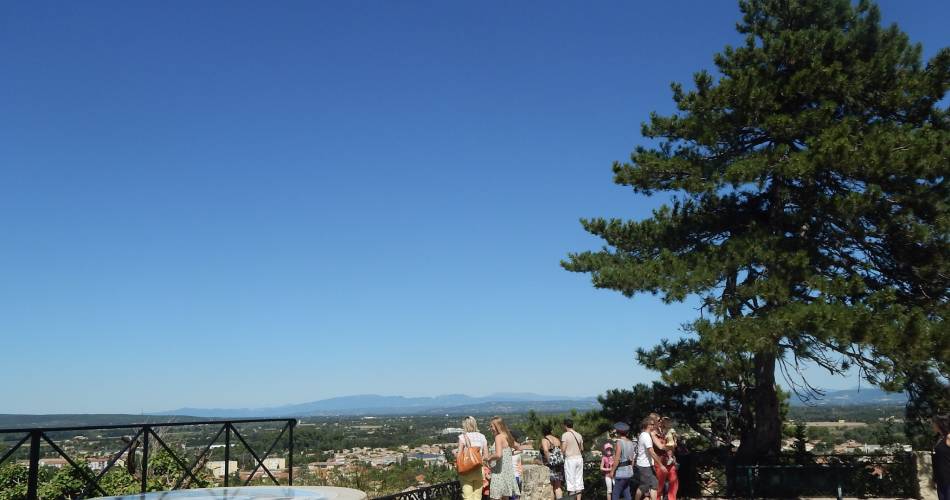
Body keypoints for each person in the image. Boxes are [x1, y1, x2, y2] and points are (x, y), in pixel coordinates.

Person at [484, 416, 521, 500]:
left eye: (491, 426)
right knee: (505, 498)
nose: (490, 428)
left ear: (497, 426)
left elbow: (498, 455)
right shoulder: (507, 436)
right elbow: (519, 447)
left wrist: (489, 458)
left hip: (498, 474)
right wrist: (509, 453)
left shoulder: (498, 437)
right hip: (507, 473)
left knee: (495, 498)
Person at [456, 416, 490, 500]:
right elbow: (486, 456)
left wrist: (454, 453)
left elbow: (459, 456)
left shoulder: (462, 437)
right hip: (478, 469)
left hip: (466, 470)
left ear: (465, 425)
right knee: (478, 496)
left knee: (468, 497)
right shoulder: (482, 437)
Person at [635, 416, 665, 500]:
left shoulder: (645, 435)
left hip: (647, 464)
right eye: (652, 424)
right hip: (644, 465)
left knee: (654, 484)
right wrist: (661, 465)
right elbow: (651, 452)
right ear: (647, 425)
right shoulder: (646, 436)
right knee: (644, 486)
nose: (653, 426)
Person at [608, 422, 637, 500]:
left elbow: (617, 459)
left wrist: (612, 471)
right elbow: (632, 459)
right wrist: (631, 469)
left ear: (618, 432)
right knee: (626, 492)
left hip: (621, 472)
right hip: (629, 472)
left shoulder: (619, 442)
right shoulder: (631, 443)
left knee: (615, 494)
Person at [654, 417, 678, 500]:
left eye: (661, 421)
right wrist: (670, 446)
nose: (661, 422)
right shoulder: (654, 433)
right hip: (660, 461)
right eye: (659, 421)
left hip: (669, 460)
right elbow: (660, 447)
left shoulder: (667, 430)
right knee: (659, 485)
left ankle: (671, 498)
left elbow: (674, 444)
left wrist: (673, 447)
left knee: (673, 481)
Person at [561, 418, 585, 499]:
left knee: (571, 482)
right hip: (579, 459)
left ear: (565, 425)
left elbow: (563, 449)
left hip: (570, 459)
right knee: (579, 481)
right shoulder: (579, 435)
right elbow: (582, 449)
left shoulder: (565, 435)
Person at [540, 423, 564, 498]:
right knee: (558, 487)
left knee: (551, 487)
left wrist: (548, 461)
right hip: (559, 464)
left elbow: (546, 451)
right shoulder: (556, 439)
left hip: (551, 466)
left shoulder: (545, 440)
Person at [934, 415, 950, 500]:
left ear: (939, 425)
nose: (933, 425)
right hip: (940, 477)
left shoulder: (949, 437)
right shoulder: (939, 438)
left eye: (934, 424)